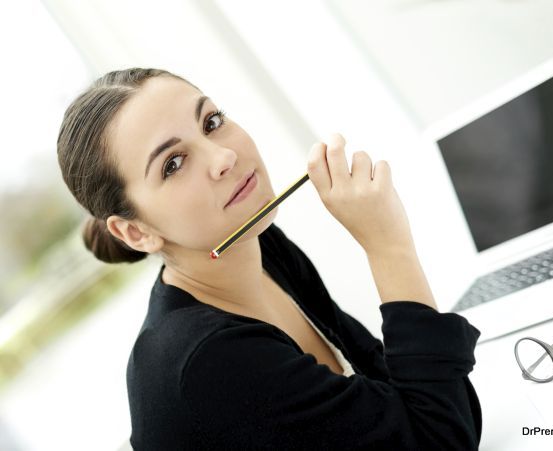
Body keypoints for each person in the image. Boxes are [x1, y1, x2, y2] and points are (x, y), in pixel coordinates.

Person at [57, 68, 482, 450]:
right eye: (173, 164)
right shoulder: (208, 361)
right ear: (136, 232)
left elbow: (417, 407)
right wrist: (388, 246)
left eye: (212, 122)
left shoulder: (263, 247)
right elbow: (442, 438)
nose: (223, 158)